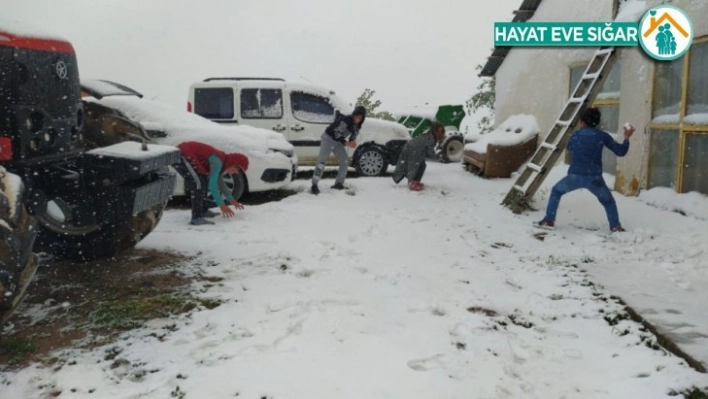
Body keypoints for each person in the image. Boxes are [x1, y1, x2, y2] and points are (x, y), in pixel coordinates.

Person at [535, 107, 635, 232]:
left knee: (556, 191)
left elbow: (570, 148)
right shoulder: (602, 136)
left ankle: (549, 219)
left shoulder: (576, 135)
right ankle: (615, 226)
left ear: (582, 122)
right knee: (608, 201)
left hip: (574, 177)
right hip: (595, 179)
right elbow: (621, 152)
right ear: (596, 122)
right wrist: (626, 137)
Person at [174, 141, 249, 225]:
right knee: (198, 184)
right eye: (234, 170)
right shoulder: (218, 161)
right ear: (233, 163)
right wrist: (221, 205)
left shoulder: (223, 162)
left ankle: (203, 210)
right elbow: (213, 185)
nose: (232, 173)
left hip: (188, 155)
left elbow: (219, 182)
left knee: (203, 182)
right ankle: (196, 218)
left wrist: (231, 199)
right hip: (182, 154)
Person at [310, 106, 366, 195]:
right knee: (322, 161)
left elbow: (353, 137)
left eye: (360, 118)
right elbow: (336, 134)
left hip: (338, 142)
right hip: (328, 138)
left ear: (362, 119)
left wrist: (352, 142)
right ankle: (314, 184)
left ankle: (339, 183)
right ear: (353, 114)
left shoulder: (357, 127)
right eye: (356, 116)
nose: (357, 119)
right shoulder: (347, 120)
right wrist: (347, 143)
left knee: (345, 161)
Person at [392, 122, 445, 191]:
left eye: (441, 131)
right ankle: (412, 183)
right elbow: (430, 152)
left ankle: (415, 182)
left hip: (412, 148)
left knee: (421, 165)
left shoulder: (429, 136)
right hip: (413, 150)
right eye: (439, 131)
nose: (441, 133)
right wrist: (438, 157)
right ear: (435, 130)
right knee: (414, 166)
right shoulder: (430, 138)